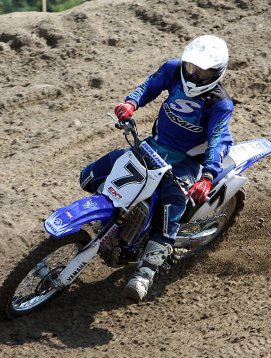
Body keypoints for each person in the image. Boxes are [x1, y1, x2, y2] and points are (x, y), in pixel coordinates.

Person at [79, 35, 234, 302]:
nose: (194, 74)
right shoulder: (174, 69)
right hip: (154, 145)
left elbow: (218, 138)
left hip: (185, 161)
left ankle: (145, 273)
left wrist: (207, 176)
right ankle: (109, 219)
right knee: (92, 174)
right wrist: (131, 103)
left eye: (202, 71)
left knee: (173, 204)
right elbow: (150, 85)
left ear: (216, 73)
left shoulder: (219, 103)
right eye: (191, 67)